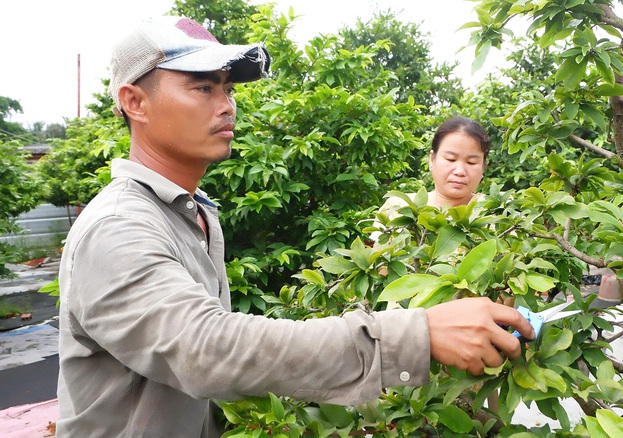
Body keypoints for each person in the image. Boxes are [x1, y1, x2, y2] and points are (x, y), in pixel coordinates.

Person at [56, 16, 534, 437]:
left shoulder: (190, 211)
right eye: (203, 87)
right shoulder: (119, 227)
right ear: (134, 102)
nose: (226, 105)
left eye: (228, 88)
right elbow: (205, 349)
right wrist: (416, 334)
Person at [377, 116, 489, 221]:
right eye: (450, 159)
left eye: (471, 162)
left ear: (483, 166)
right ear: (432, 159)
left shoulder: (495, 213)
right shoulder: (397, 208)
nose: (459, 171)